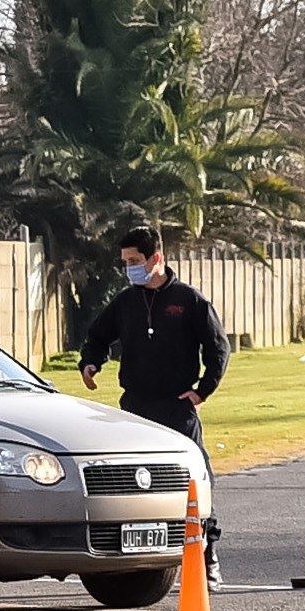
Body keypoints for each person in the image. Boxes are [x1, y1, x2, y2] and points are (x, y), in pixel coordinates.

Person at [79, 225, 229, 584]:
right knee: (131, 483)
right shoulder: (126, 301)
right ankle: (132, 560)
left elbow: (218, 348)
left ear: (156, 258)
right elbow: (98, 335)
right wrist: (91, 362)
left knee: (195, 480)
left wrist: (202, 391)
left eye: (135, 260)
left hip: (177, 408)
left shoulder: (189, 301)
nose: (129, 267)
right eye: (125, 262)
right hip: (135, 408)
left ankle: (207, 554)